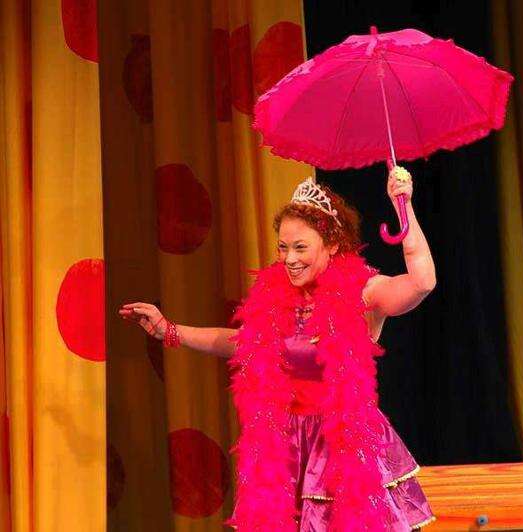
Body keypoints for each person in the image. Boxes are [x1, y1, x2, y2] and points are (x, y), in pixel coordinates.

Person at [119, 167, 436, 531]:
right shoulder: (276, 297)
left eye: (300, 247)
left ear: (332, 244)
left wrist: (404, 205)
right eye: (283, 247)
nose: (289, 259)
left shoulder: (363, 292)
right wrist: (170, 331)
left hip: (342, 445)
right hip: (285, 448)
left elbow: (422, 282)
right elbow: (243, 344)